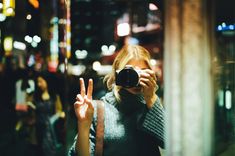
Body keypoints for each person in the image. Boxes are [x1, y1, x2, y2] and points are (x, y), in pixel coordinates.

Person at [68, 45, 165, 156]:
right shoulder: (99, 109)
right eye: (130, 72)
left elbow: (168, 142)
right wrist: (83, 125)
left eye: (142, 73)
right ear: (117, 73)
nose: (136, 78)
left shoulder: (152, 107)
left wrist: (151, 98)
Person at [33, 72, 65, 156]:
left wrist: (59, 115)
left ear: (47, 81)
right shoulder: (35, 96)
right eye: (37, 82)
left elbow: (59, 110)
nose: (39, 84)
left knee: (50, 151)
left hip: (51, 130)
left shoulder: (54, 96)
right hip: (38, 129)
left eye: (41, 81)